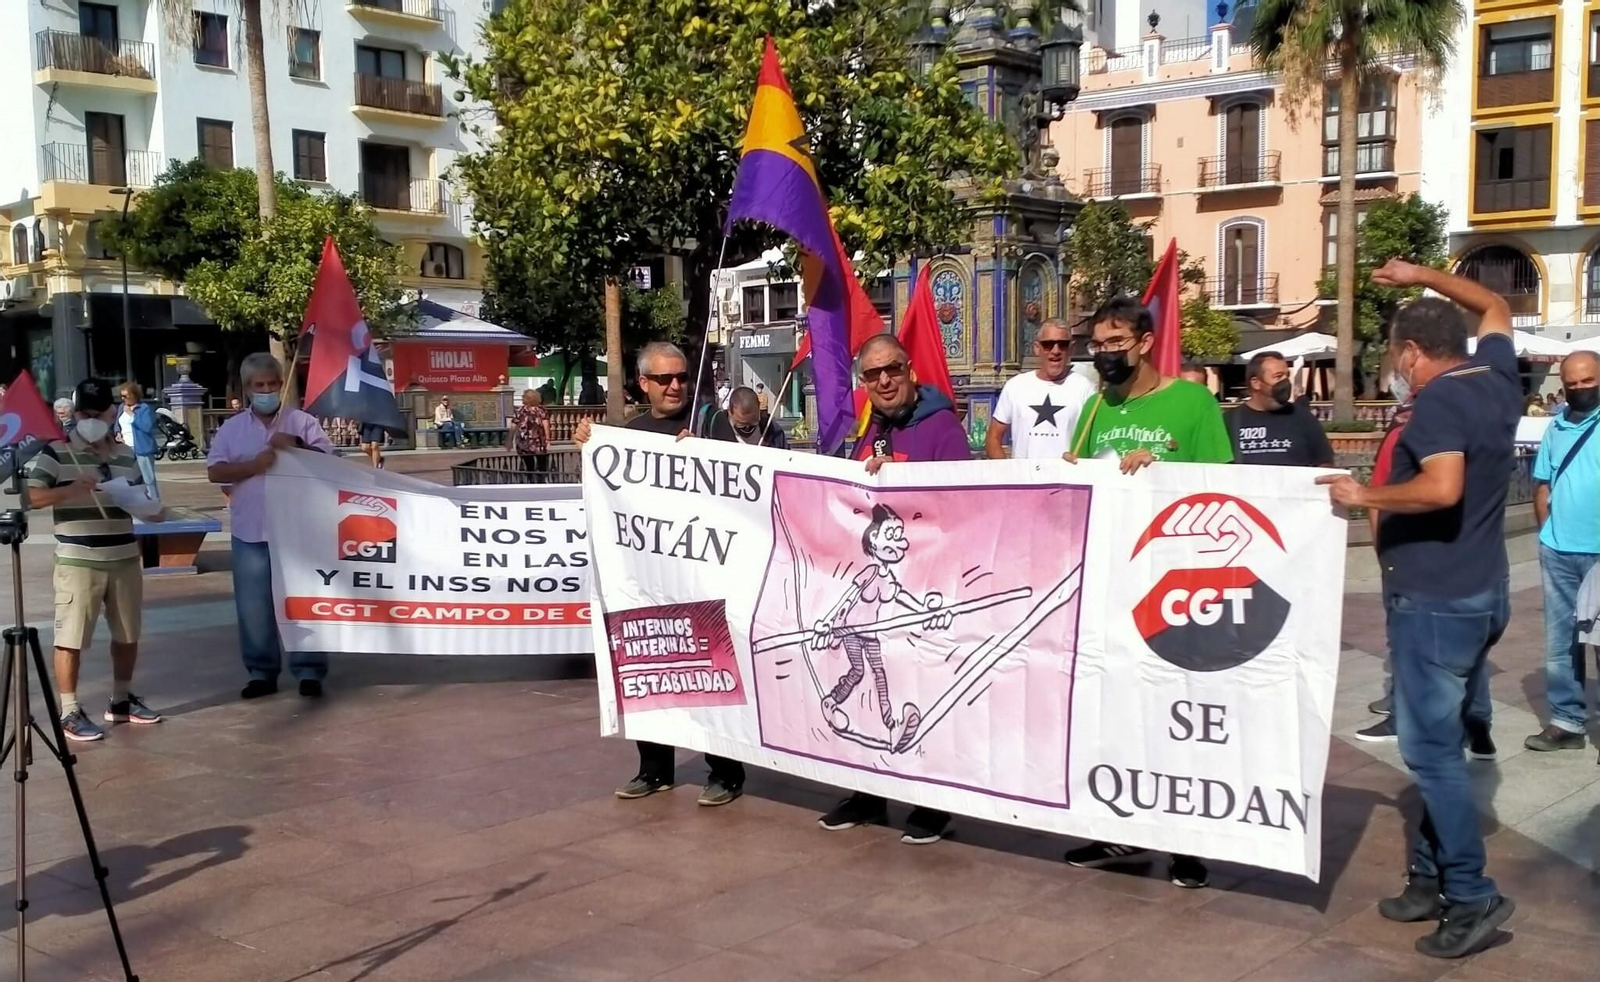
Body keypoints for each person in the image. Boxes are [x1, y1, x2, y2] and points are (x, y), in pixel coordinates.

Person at [1318, 259, 1518, 959]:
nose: (1393, 370)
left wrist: (1361, 498)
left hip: (1436, 598)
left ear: (1410, 353)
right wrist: (1421, 275)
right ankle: (1431, 877)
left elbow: (1440, 489)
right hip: (1482, 590)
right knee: (1445, 742)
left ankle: (1470, 894)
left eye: (1394, 357)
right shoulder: (1494, 377)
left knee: (1430, 754)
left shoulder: (1437, 403)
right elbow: (1493, 303)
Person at [1063, 297, 1231, 890]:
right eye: (1099, 345)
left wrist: (1157, 466)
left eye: (1116, 343)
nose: (1105, 354)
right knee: (1117, 716)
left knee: (1172, 718)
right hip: (1112, 589)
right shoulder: (1090, 409)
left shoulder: (1192, 402)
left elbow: (1223, 485)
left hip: (1175, 589)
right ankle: (1122, 832)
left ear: (1143, 342)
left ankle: (1187, 844)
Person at [573, 342, 748, 807]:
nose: (676, 386)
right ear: (643, 383)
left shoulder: (711, 424)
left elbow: (742, 483)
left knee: (708, 672)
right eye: (665, 379)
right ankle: (654, 770)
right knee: (649, 669)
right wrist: (589, 446)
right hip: (648, 580)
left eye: (682, 378)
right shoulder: (629, 434)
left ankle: (726, 772)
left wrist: (711, 453)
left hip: (702, 576)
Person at [815, 334, 969, 845]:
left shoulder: (941, 427)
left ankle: (931, 804)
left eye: (893, 370)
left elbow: (966, 502)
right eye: (872, 374)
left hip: (926, 582)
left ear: (910, 372)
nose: (883, 381)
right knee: (867, 683)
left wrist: (908, 478)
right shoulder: (870, 430)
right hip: (875, 604)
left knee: (920, 686)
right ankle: (867, 793)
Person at [25, 378, 163, 741]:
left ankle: (121, 700)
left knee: (127, 633)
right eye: (83, 413)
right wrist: (71, 489)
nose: (89, 419)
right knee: (70, 635)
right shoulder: (57, 452)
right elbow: (32, 496)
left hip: (123, 557)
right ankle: (69, 709)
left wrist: (149, 510)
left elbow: (142, 497)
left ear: (111, 411)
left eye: (96, 412)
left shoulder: (125, 455)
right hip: (77, 560)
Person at [207, 353, 335, 700]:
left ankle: (309, 670)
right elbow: (215, 471)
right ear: (248, 389)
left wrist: (297, 446)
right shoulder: (232, 429)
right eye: (259, 385)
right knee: (254, 606)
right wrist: (254, 465)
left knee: (302, 600)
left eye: (272, 384)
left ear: (281, 384)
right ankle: (261, 672)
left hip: (298, 531)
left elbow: (330, 465)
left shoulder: (302, 422)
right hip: (251, 530)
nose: (266, 390)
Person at [1524, 351, 1600, 753]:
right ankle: (1566, 721)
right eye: (1572, 382)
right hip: (1558, 551)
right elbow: (1542, 485)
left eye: (1588, 380)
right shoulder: (1555, 428)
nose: (1580, 388)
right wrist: (1546, 533)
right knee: (1560, 641)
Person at [985, 318, 1096, 460]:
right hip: (1025, 480)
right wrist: (1007, 474)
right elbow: (993, 437)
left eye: (1062, 345)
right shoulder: (1016, 386)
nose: (1056, 351)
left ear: (1071, 348)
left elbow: (1095, 441)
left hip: (1065, 479)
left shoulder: (1085, 388)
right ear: (1037, 348)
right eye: (1048, 345)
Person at [1227, 351, 1335, 467]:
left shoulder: (1303, 418)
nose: (1286, 382)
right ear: (1256, 383)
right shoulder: (1230, 421)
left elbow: (1324, 464)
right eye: (1278, 376)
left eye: (1287, 375)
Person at [705, 386, 790, 449]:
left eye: (754, 423)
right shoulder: (712, 428)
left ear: (758, 408)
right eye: (741, 425)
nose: (748, 428)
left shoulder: (773, 431)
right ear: (729, 411)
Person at [509, 388, 553, 479]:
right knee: (542, 463)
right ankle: (541, 480)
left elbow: (513, 425)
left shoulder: (519, 411)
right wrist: (548, 439)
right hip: (538, 441)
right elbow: (546, 425)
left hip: (524, 441)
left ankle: (531, 480)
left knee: (529, 464)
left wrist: (510, 439)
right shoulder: (541, 410)